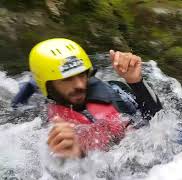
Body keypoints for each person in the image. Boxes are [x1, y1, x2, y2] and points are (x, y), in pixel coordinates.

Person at [25, 38, 162, 158]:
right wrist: (77, 157)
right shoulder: (41, 127)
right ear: (48, 86)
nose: (79, 85)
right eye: (67, 79)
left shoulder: (115, 91)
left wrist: (136, 81)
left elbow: (160, 122)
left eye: (81, 75)